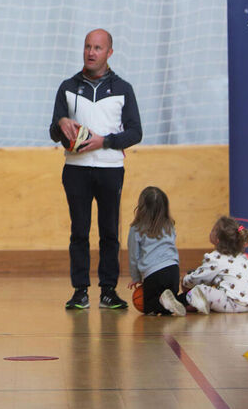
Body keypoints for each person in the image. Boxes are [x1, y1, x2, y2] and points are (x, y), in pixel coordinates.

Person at [49, 28, 142, 310]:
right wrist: (61, 125)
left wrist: (105, 141)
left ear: (109, 53)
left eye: (98, 48)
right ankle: (79, 291)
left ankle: (108, 291)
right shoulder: (67, 86)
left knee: (109, 232)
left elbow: (136, 132)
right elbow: (53, 132)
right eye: (88, 46)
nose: (91, 52)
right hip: (75, 170)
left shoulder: (123, 88)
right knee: (79, 231)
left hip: (110, 169)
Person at [180, 216, 248, 314]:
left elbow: (196, 279)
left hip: (233, 304)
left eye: (213, 230)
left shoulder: (216, 258)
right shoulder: (242, 257)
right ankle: (194, 303)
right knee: (205, 289)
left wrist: (184, 279)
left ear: (217, 239)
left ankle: (179, 302)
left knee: (201, 289)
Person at [126, 186, 185, 316]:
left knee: (148, 306)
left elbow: (133, 255)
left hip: (153, 274)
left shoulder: (136, 228)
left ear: (141, 207)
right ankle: (189, 298)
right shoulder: (169, 225)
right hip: (173, 271)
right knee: (172, 302)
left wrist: (136, 277)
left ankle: (163, 302)